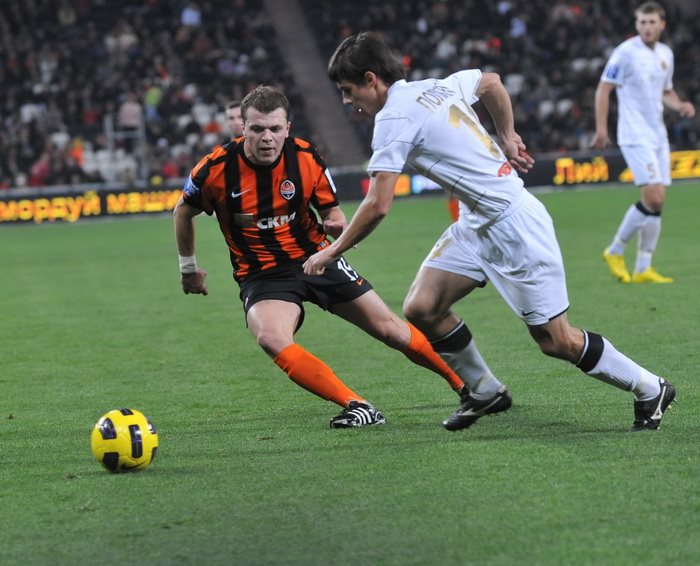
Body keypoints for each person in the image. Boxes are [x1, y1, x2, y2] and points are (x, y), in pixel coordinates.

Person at [303, 32, 676, 432]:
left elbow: (378, 204)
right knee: (422, 307)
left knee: (557, 341)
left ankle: (649, 387)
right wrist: (508, 135)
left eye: (348, 90)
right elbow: (492, 82)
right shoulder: (436, 86)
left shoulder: (393, 117)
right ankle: (485, 391)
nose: (347, 101)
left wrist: (332, 251)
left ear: (371, 79)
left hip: (514, 226)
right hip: (475, 222)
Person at [173, 85, 467, 429]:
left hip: (317, 258)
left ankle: (467, 386)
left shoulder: (305, 157)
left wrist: (337, 227)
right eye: (257, 129)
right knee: (271, 338)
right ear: (243, 128)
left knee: (391, 330)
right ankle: (358, 406)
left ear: (287, 127)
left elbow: (332, 212)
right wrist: (188, 268)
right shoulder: (215, 169)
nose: (267, 138)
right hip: (263, 274)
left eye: (275, 129)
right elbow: (183, 212)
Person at [592, 1, 695, 284]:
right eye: (642, 22)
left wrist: (680, 105)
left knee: (657, 203)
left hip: (658, 135)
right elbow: (604, 88)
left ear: (662, 24)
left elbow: (666, 91)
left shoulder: (665, 53)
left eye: (651, 22)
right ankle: (615, 250)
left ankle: (643, 268)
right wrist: (601, 129)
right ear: (637, 25)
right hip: (634, 134)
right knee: (654, 197)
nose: (646, 27)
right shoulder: (625, 53)